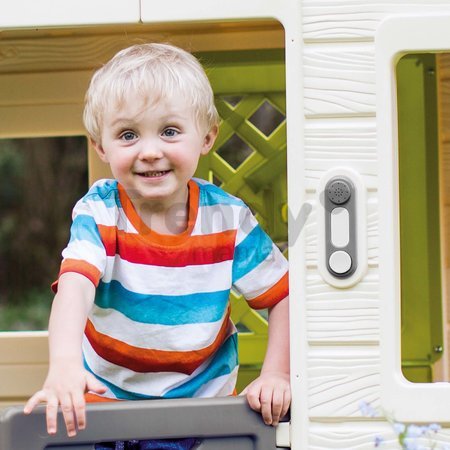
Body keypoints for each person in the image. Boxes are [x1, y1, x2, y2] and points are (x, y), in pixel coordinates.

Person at [24, 43, 290, 449]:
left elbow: (284, 293)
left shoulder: (228, 219)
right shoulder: (99, 210)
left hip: (198, 409)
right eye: (128, 134)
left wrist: (277, 374)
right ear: (101, 146)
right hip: (104, 402)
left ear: (206, 136)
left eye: (169, 131)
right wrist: (62, 367)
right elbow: (75, 286)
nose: (150, 152)